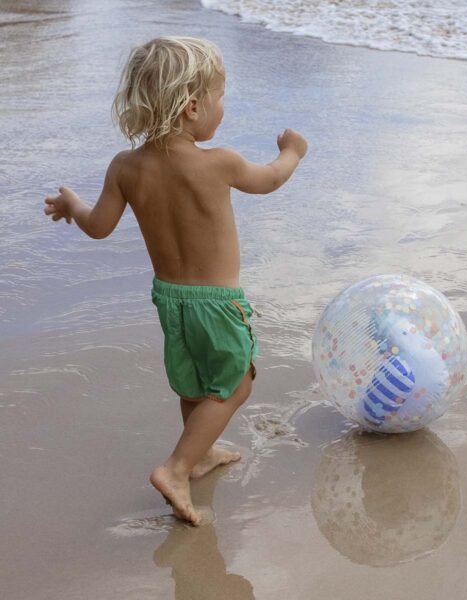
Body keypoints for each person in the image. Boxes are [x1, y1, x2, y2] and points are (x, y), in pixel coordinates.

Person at [43, 36, 308, 525]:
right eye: (220, 97)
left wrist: (71, 204)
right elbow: (270, 179)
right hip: (218, 303)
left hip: (170, 300)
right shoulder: (219, 162)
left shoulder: (125, 167)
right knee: (236, 385)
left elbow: (98, 226)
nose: (222, 107)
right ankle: (177, 468)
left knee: (195, 384)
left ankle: (200, 454)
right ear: (192, 107)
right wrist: (292, 151)